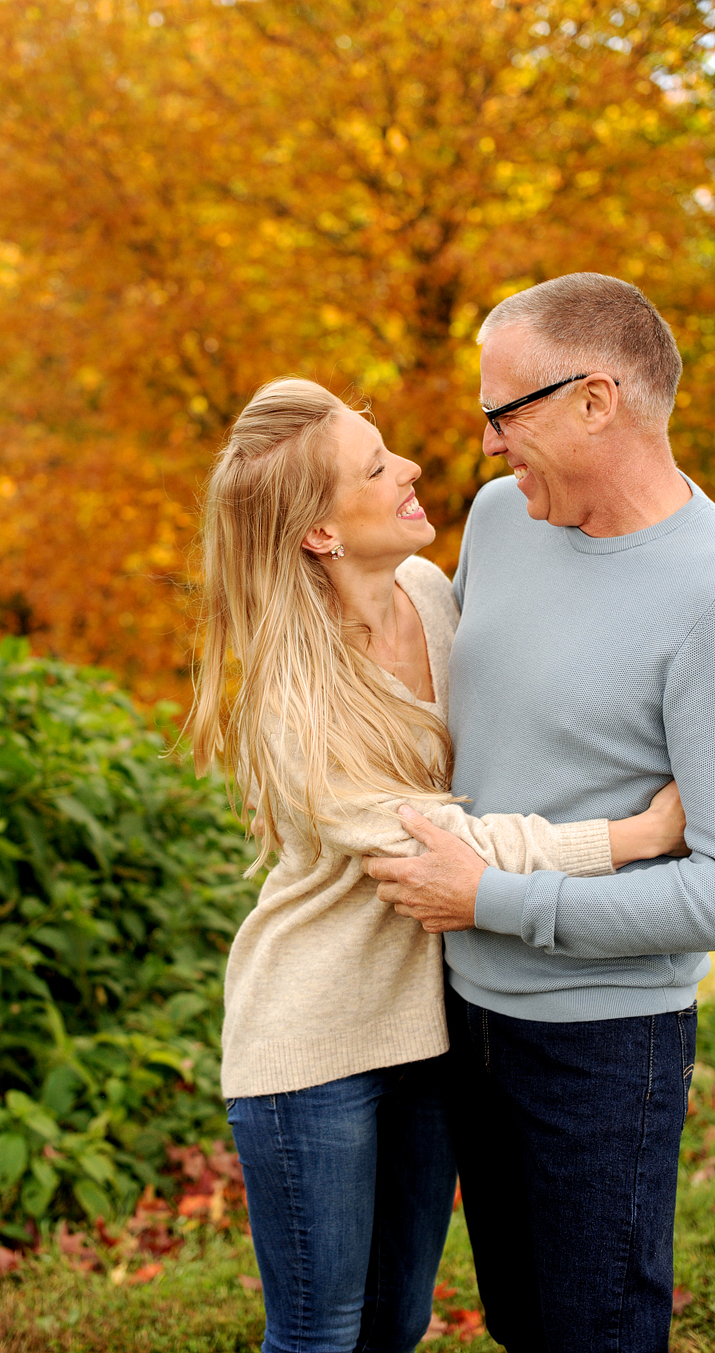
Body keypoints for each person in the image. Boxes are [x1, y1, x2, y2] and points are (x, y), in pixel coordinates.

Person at [189, 375, 687, 1353]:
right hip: (315, 1036)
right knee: (321, 1332)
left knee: (396, 1321)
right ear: (320, 534)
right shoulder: (296, 694)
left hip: (431, 1027)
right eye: (375, 467)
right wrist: (628, 839)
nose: (412, 465)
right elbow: (444, 847)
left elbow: (507, 744)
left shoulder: (428, 591)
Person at [364, 272, 715, 1353]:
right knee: (523, 1320)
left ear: (596, 400)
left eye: (504, 413)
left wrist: (495, 898)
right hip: (459, 1015)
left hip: (603, 1047)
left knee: (592, 1331)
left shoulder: (706, 593)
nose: (486, 445)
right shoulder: (503, 519)